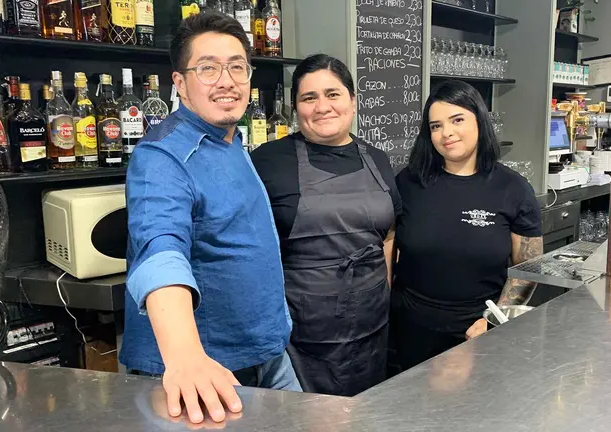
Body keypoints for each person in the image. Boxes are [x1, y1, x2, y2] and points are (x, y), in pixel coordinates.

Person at [119, 13, 301, 425]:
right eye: (208, 68)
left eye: (237, 66)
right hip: (204, 374)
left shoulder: (231, 140)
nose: (227, 80)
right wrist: (186, 358)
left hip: (266, 356)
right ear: (179, 83)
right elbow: (160, 251)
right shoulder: (161, 157)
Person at [250, 54, 401, 396]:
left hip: (372, 326)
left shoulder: (377, 158)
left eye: (333, 94)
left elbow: (389, 233)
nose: (322, 107)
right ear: (294, 107)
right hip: (304, 336)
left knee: (367, 414)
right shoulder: (267, 161)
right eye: (309, 97)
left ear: (352, 101)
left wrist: (383, 288)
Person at [389, 80, 543, 372]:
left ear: (480, 121)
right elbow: (389, 248)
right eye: (435, 126)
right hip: (409, 330)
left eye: (457, 120)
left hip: (478, 331)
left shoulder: (513, 189)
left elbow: (529, 269)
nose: (446, 133)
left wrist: (494, 322)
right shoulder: (408, 183)